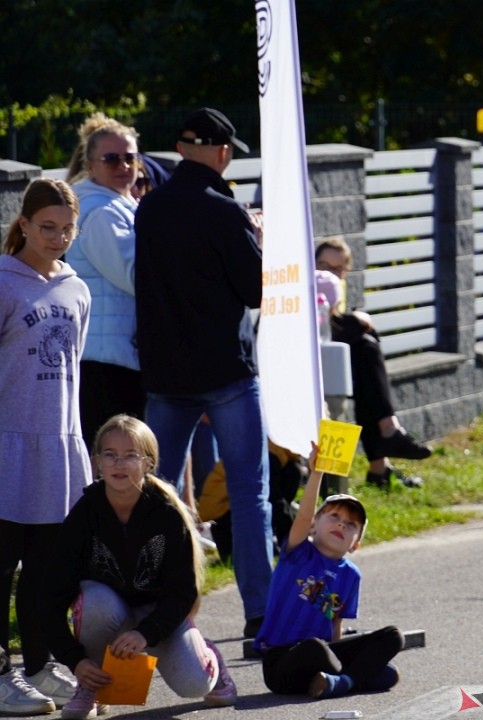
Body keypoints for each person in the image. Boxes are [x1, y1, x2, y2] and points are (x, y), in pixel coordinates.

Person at [134, 107, 274, 639]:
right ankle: (259, 614)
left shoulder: (149, 209)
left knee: (152, 496)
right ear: (221, 151)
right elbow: (256, 291)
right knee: (249, 494)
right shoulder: (225, 209)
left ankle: (150, 613)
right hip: (227, 372)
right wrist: (257, 238)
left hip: (166, 373)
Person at [42, 415, 237, 720]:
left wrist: (145, 634)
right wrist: (75, 660)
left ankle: (208, 653)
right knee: (94, 600)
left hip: (158, 615)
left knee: (193, 684)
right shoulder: (84, 514)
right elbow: (51, 597)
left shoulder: (167, 514)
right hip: (109, 611)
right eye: (110, 455)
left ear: (148, 463)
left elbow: (183, 591)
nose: (119, 464)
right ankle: (91, 686)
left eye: (130, 455)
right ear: (97, 462)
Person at [0, 177, 91, 714]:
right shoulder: (5, 283)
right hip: (7, 446)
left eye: (66, 229)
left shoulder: (77, 288)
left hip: (56, 447)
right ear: (25, 225)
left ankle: (37, 665)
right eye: (46, 227)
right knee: (1, 566)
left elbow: (71, 374)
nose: (56, 238)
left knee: (46, 571)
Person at [254, 443, 404, 699]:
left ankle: (338, 681)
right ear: (314, 526)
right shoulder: (298, 553)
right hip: (283, 662)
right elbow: (301, 517)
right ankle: (348, 678)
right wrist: (316, 473)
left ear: (355, 544)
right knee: (315, 648)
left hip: (326, 654)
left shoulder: (351, 575)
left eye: (350, 524)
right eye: (334, 516)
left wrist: (341, 651)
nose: (341, 525)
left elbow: (336, 622)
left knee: (393, 639)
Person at [315, 237, 432, 488]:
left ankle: (380, 464)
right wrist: (357, 320)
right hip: (308, 371)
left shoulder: (334, 292)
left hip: (333, 370)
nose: (327, 274)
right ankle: (385, 445)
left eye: (336, 270)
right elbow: (322, 330)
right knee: (366, 348)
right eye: (322, 265)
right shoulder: (308, 287)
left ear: (345, 273)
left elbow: (335, 327)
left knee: (365, 360)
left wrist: (355, 321)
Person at [67, 120, 147, 443]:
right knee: (115, 463)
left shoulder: (116, 205)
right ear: (90, 166)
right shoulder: (101, 212)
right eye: (111, 159)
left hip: (112, 354)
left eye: (130, 158)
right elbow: (135, 276)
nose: (124, 166)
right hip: (106, 361)